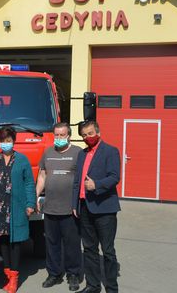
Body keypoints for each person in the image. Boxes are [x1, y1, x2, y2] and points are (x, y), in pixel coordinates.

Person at [0, 126, 36, 293]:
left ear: (14, 141)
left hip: (16, 207)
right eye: (3, 141)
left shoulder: (22, 160)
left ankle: (14, 278)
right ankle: (7, 274)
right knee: (3, 241)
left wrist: (30, 204)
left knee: (15, 243)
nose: (6, 144)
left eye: (9, 140)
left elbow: (29, 183)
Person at [72, 120, 121, 293]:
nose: (87, 137)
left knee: (107, 251)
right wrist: (74, 204)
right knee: (89, 249)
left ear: (98, 132)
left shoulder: (111, 151)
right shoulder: (82, 154)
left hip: (104, 209)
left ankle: (111, 288)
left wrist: (97, 185)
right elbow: (77, 181)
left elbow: (115, 177)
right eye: (84, 135)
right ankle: (92, 286)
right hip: (85, 208)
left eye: (90, 133)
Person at [36, 122, 82, 291]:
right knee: (52, 243)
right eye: (57, 135)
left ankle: (73, 274)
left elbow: (83, 179)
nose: (59, 138)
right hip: (50, 208)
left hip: (71, 209)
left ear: (69, 135)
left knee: (72, 244)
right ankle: (54, 274)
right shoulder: (48, 152)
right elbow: (42, 176)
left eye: (62, 135)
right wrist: (35, 195)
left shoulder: (78, 153)